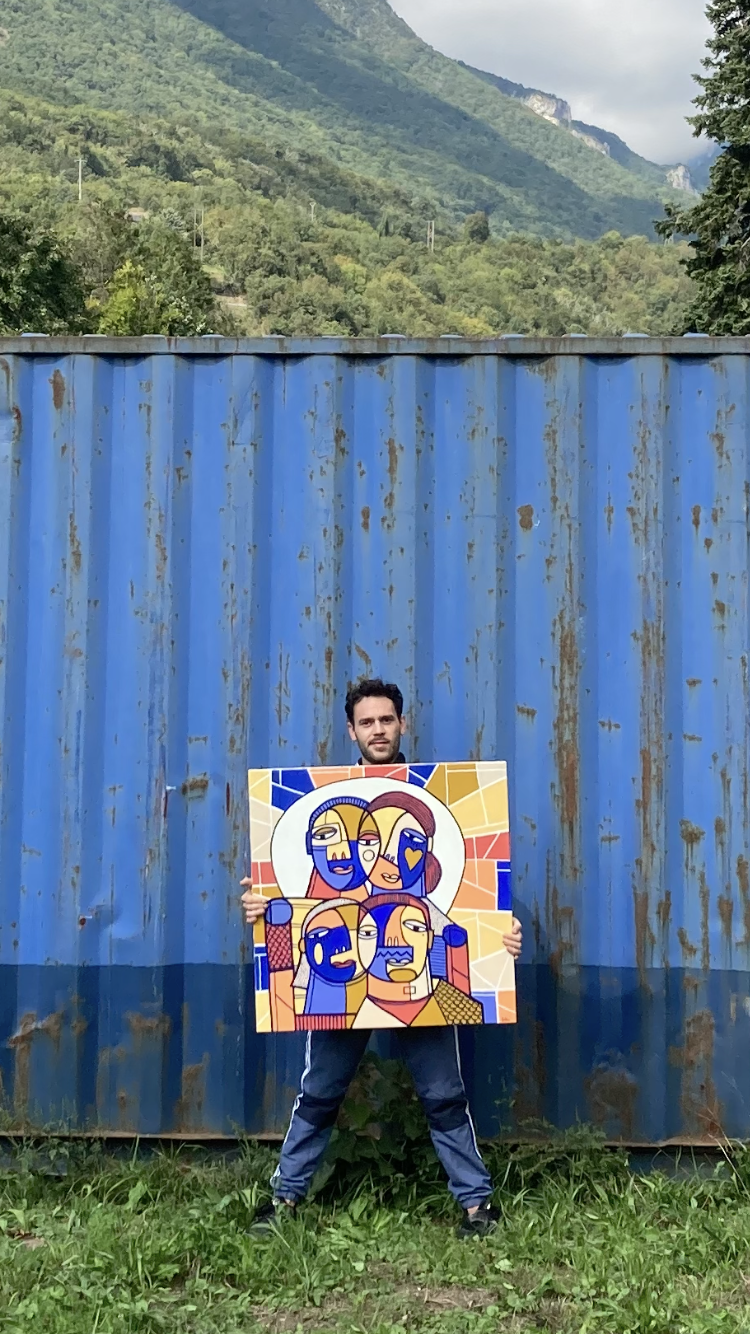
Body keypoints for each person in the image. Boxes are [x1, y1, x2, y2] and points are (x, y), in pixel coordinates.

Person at [240, 677, 523, 1238]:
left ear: (401, 724)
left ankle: (476, 1205)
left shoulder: (433, 799)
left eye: (386, 720)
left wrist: (499, 935)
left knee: (445, 1094)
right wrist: (261, 907)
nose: (377, 730)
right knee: (319, 1092)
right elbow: (290, 916)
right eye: (366, 722)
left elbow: (465, 907)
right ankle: (285, 1200)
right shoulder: (329, 807)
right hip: (339, 979)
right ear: (352, 730)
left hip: (417, 977)